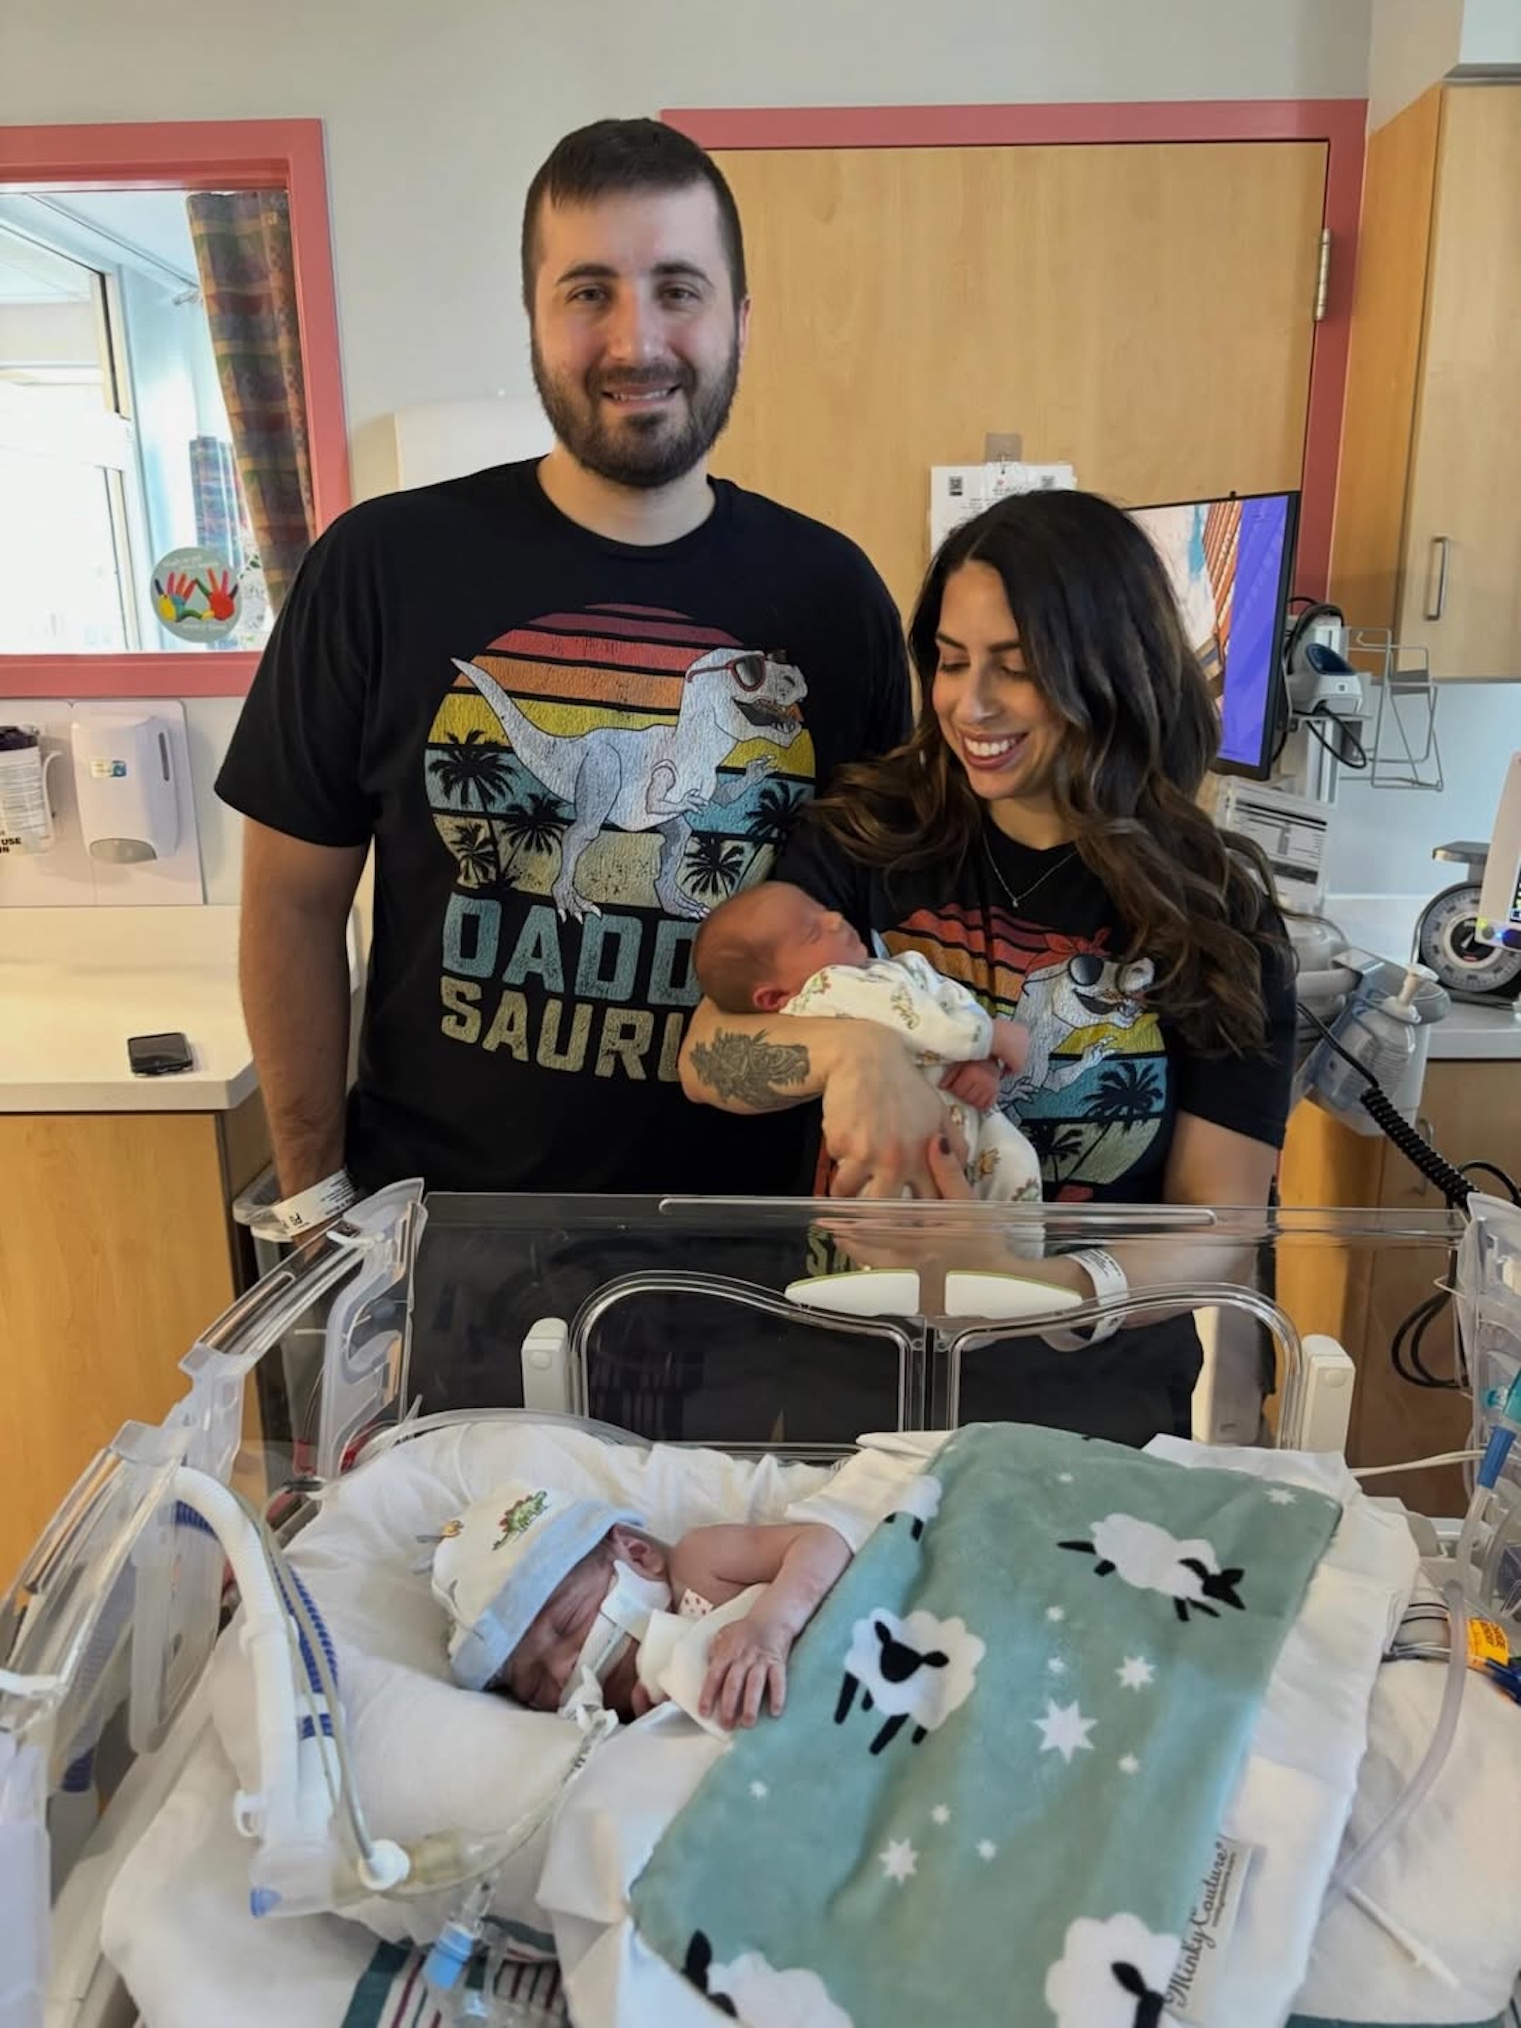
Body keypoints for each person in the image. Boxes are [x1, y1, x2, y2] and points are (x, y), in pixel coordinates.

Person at [216, 117, 909, 1222]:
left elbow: (874, 920)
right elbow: (292, 906)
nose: (636, 341)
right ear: (534, 318)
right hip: (445, 1243)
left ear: (739, 319)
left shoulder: (837, 598)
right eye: (589, 292)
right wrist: (312, 1207)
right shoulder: (380, 566)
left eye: (677, 289)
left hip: (748, 1249)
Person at [679, 489, 1298, 1440]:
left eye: (1016, 668)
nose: (969, 705)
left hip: (1088, 1414)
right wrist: (854, 1053)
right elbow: (706, 1056)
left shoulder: (1213, 912)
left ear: (1110, 668)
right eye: (951, 660)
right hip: (846, 1385)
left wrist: (1025, 1285)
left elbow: (1221, 1228)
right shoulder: (868, 835)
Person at [692, 881, 1041, 1201]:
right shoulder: (824, 990)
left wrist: (983, 1059)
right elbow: (914, 1023)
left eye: (823, 909)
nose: (835, 919)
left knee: (1016, 1162)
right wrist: (990, 1036)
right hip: (901, 1148)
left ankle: (1017, 1251)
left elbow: (951, 1001)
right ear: (774, 997)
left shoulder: (888, 969)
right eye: (812, 932)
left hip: (968, 1117)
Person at [431, 1478, 852, 1730]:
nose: (561, 1670)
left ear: (638, 1554)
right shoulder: (626, 1722)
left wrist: (769, 1627)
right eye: (536, 1685)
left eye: (569, 1621)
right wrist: (671, 1729)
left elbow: (822, 1542)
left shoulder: (700, 1567)